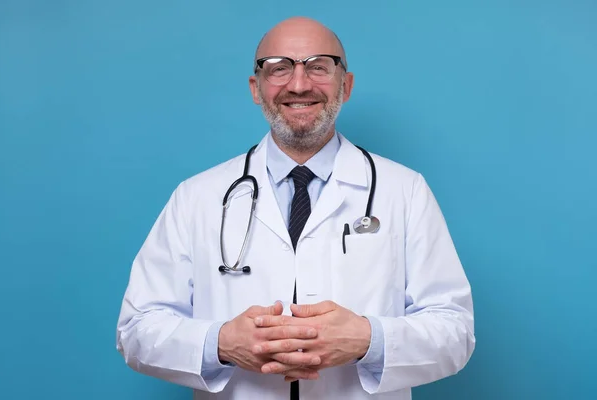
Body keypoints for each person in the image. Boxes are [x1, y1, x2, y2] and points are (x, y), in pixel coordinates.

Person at [116, 16, 475, 400]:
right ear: (256, 88)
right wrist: (219, 343)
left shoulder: (404, 192)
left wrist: (368, 340)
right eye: (279, 68)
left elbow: (455, 331)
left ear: (346, 85)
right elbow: (136, 329)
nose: (299, 84)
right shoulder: (197, 197)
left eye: (319, 66)